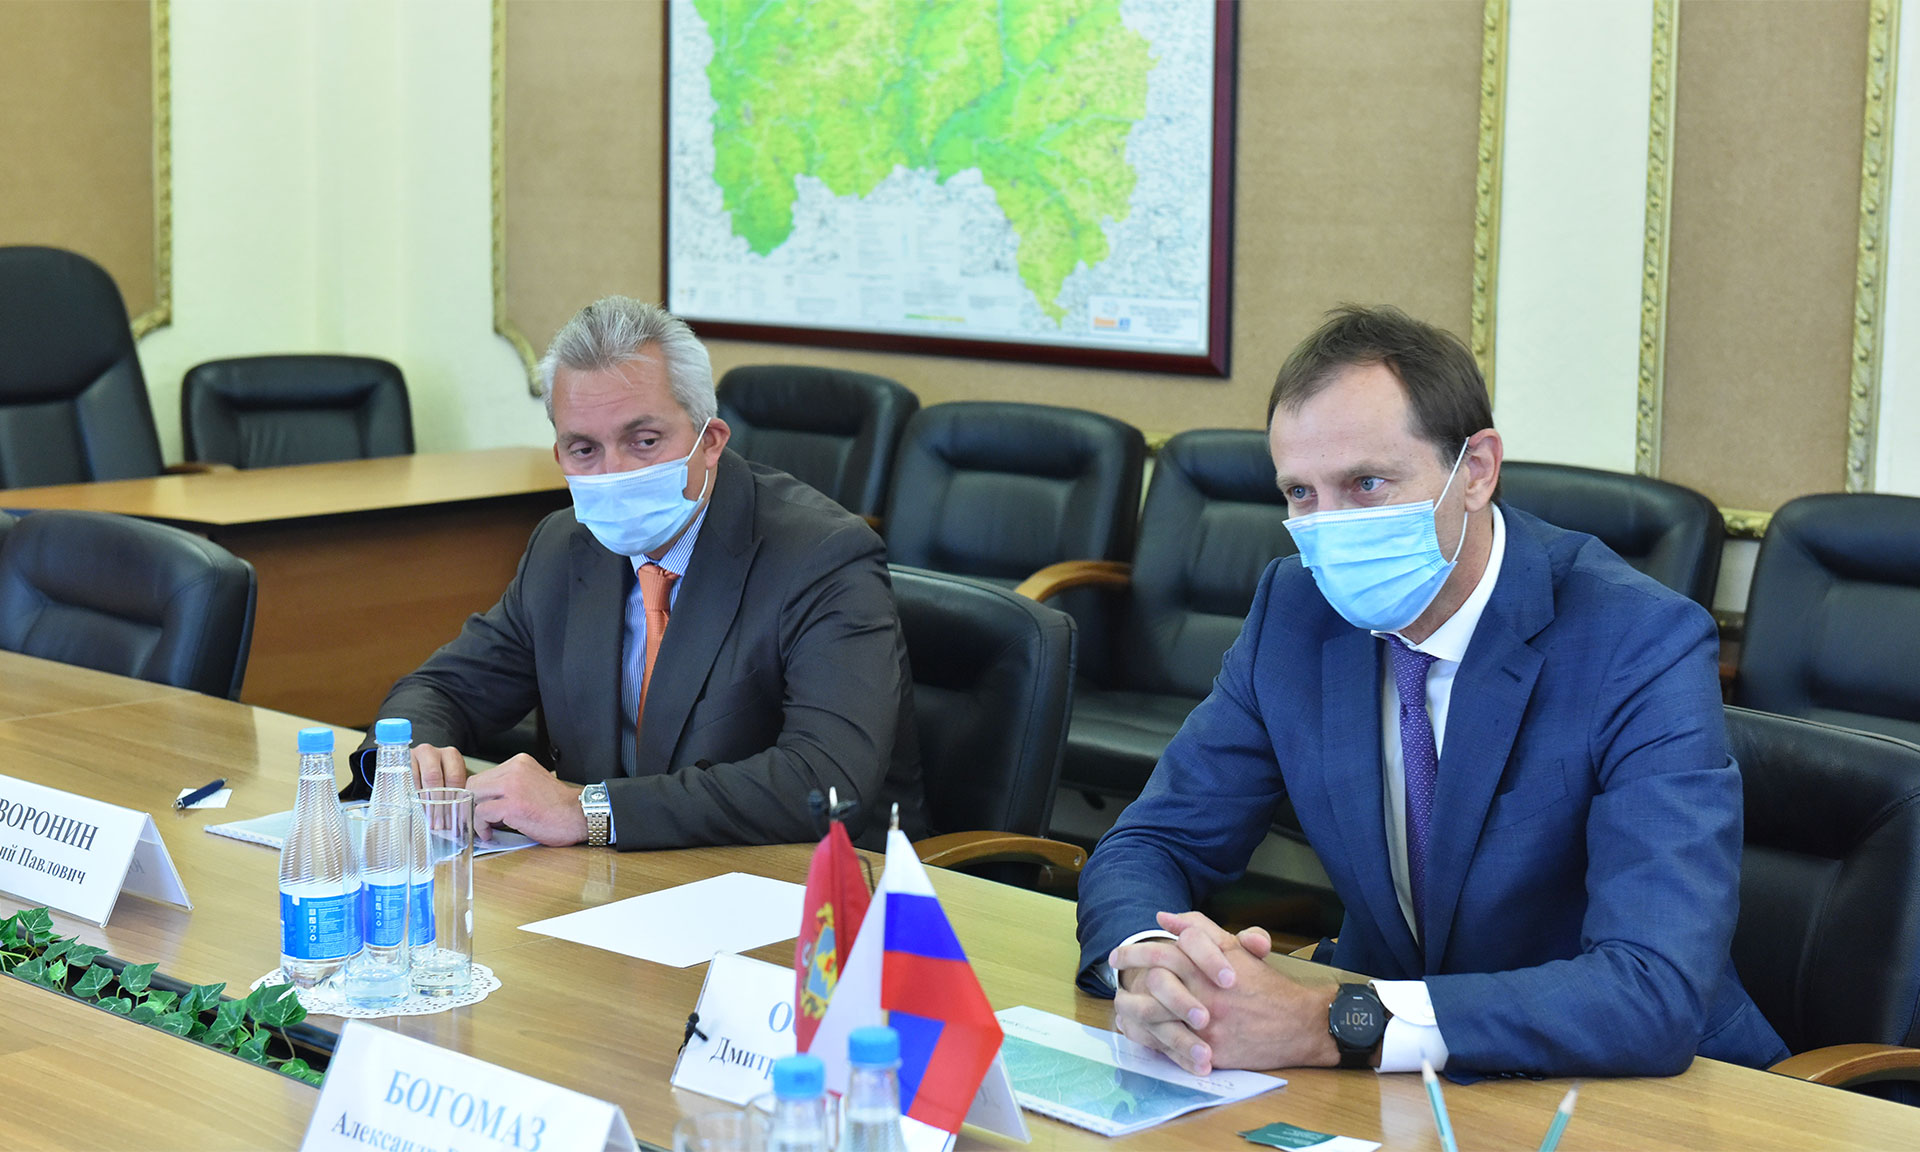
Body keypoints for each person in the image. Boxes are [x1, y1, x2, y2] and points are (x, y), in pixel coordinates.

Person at [1075, 305, 1786, 1080]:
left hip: (1636, 1090)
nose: (1329, 528)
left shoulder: (1639, 641)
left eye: (1366, 484)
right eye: (1301, 494)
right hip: (1398, 1091)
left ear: (1475, 471)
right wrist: (1153, 965)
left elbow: (1651, 989)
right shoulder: (1296, 609)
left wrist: (1334, 1023)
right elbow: (1154, 841)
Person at [354, 297, 926, 850]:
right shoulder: (563, 548)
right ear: (559, 457)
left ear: (710, 442)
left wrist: (589, 811)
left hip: (809, 887)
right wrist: (413, 757)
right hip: (615, 885)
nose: (615, 472)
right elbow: (441, 689)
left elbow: (824, 782)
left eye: (644, 441)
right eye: (584, 449)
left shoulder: (822, 556)